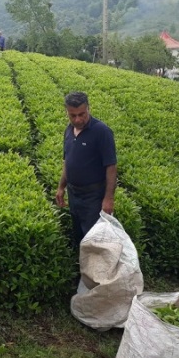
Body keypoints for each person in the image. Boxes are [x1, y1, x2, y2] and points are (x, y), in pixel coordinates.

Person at [55, 91, 117, 250]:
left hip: (93, 196)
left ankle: (95, 274)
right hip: (74, 193)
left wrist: (108, 198)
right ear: (67, 112)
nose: (77, 119)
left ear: (88, 108)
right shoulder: (68, 131)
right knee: (79, 235)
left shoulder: (102, 131)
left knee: (94, 240)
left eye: (82, 114)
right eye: (72, 115)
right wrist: (61, 187)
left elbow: (111, 166)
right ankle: (83, 271)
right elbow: (67, 162)